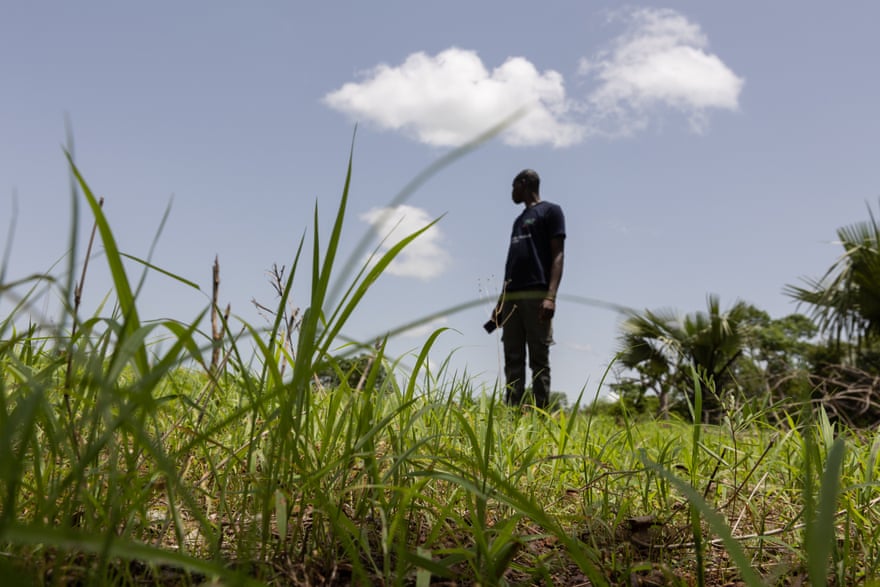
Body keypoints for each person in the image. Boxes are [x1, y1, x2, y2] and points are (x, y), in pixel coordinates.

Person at [489, 169, 565, 408]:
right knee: (513, 357)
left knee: (539, 359)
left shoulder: (551, 211)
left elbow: (558, 255)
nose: (512, 192)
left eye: (514, 186)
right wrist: (501, 303)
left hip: (537, 295)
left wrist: (550, 297)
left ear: (524, 184)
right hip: (511, 298)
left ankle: (540, 415)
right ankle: (512, 413)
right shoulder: (518, 220)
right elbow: (511, 264)